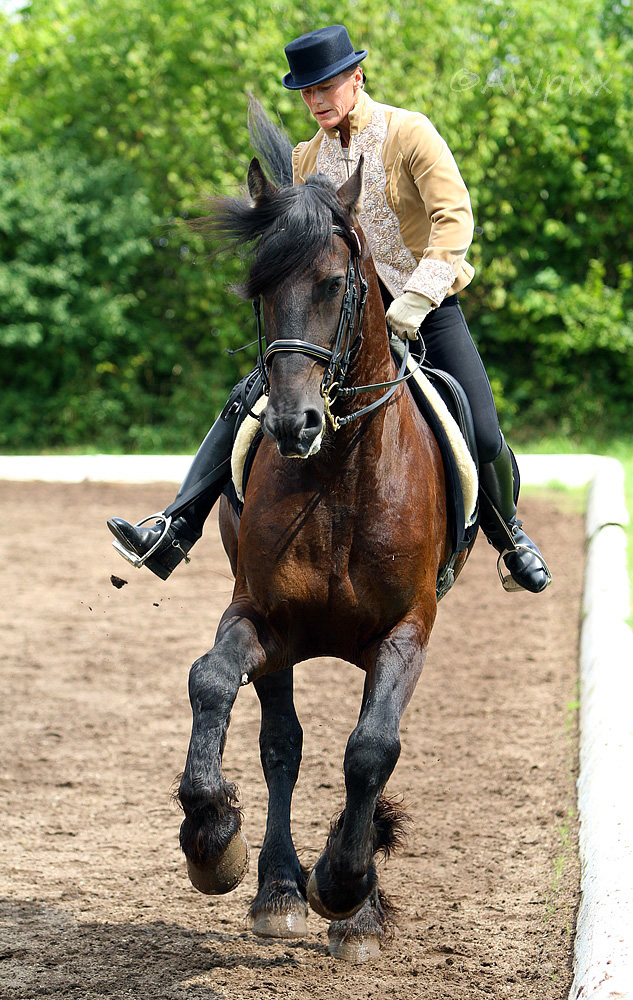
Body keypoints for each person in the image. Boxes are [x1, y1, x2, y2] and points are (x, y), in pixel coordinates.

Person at [108, 24, 551, 594]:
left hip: (426, 305)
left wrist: (415, 299)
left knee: (484, 433)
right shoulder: (304, 158)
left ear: (356, 78)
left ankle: (509, 535)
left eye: (326, 87)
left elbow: (454, 221)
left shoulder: (410, 134)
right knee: (249, 399)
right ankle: (174, 527)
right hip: (336, 317)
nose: (315, 101)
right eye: (306, 92)